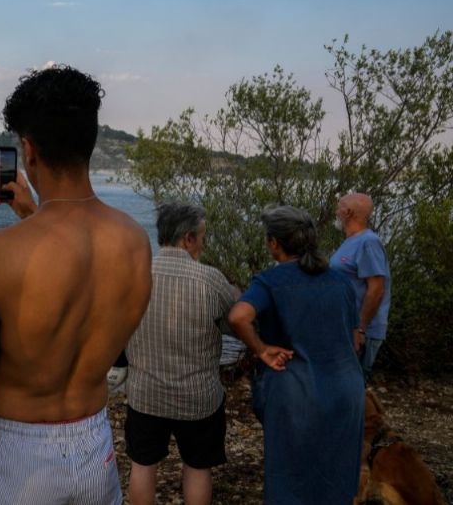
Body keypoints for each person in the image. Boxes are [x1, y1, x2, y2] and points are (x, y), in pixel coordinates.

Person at [0, 66, 152, 504]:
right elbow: (76, 272)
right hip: (95, 446)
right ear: (89, 142)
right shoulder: (134, 241)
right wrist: (32, 213)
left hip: (18, 458)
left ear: (28, 149)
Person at [228, 206, 364, 504]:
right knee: (337, 476)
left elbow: (239, 316)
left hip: (297, 392)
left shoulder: (271, 281)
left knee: (290, 477)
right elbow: (354, 340)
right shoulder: (341, 282)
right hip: (346, 390)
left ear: (274, 243)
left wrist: (261, 349)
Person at [124, 203, 236, 505]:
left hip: (145, 394)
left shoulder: (135, 276)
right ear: (187, 238)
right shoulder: (210, 279)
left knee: (142, 465)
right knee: (198, 468)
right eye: (202, 236)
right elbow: (235, 324)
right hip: (198, 397)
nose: (203, 243)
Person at [331, 193, 391, 380]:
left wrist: (360, 328)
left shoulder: (368, 242)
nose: (335, 212)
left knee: (352, 385)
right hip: (347, 327)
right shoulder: (351, 241)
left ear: (348, 212)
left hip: (361, 332)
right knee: (342, 386)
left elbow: (377, 289)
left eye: (338, 207)